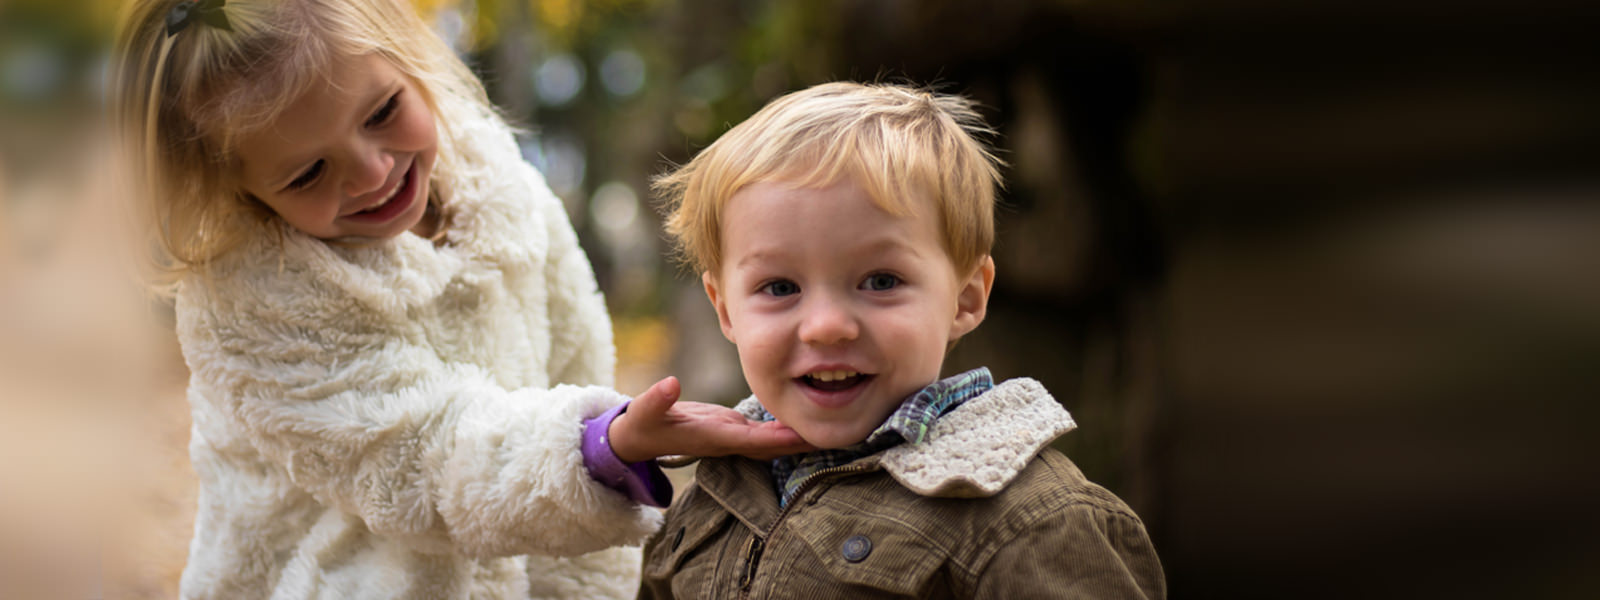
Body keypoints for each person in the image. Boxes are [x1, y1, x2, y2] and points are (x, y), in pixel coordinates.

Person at [110, 1, 810, 598]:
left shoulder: (495, 186)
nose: (373, 173)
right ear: (242, 192)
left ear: (413, 60)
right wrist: (600, 447)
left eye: (383, 111)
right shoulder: (254, 303)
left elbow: (574, 352)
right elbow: (419, 462)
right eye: (309, 172)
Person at [638, 81, 1167, 598]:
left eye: (881, 281)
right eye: (780, 287)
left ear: (965, 298)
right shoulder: (712, 495)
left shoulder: (1031, 523)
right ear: (725, 310)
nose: (826, 326)